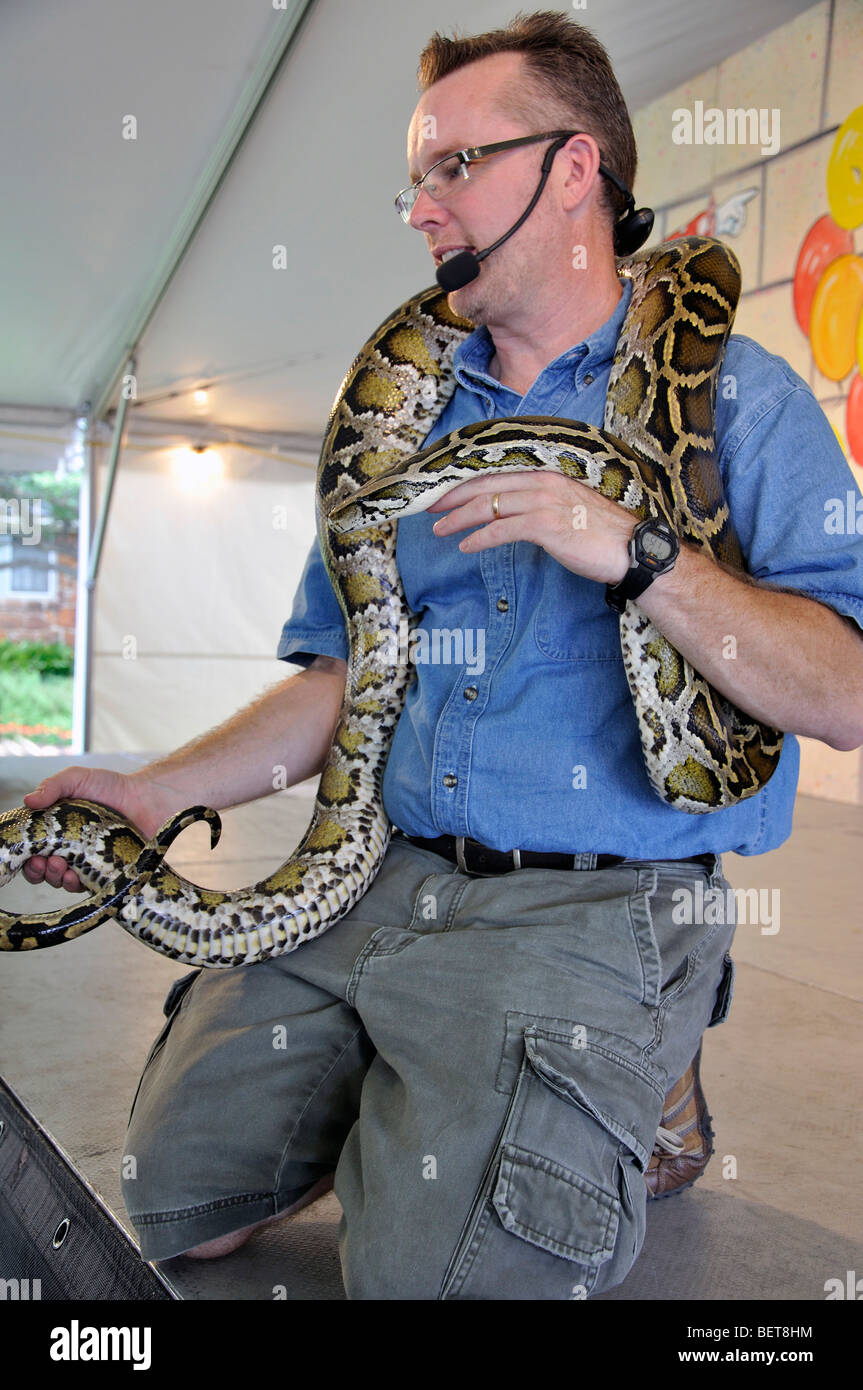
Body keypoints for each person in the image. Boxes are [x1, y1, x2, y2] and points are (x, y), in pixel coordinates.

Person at [21, 12, 863, 1299]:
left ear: (574, 169)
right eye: (413, 178)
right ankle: (447, 1062)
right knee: (172, 1199)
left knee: (429, 1282)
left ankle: (625, 1052)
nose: (418, 210)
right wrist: (150, 791)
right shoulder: (395, 422)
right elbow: (337, 679)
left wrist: (631, 546)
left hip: (591, 892)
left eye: (453, 167)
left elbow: (845, 689)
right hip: (387, 874)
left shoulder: (739, 399)